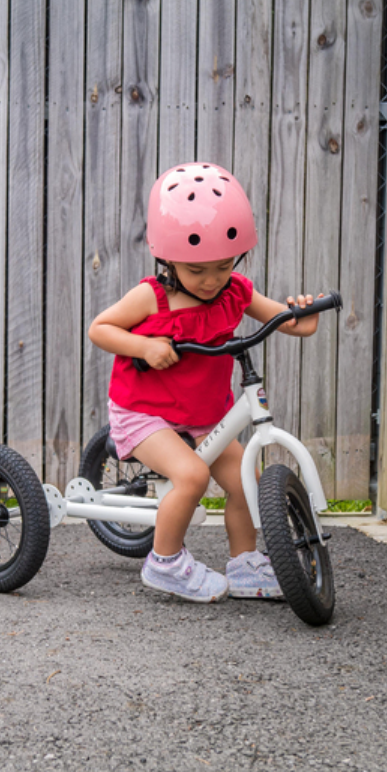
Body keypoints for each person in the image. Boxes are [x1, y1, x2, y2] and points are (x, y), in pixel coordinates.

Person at [87, 162, 322, 604]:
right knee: (192, 476)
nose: (212, 280)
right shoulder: (151, 297)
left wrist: (302, 314)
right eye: (197, 271)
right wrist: (145, 347)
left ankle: (246, 564)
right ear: (168, 259)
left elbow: (289, 323)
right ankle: (165, 562)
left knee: (244, 482)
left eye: (223, 265)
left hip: (203, 413)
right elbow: (100, 329)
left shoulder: (236, 292)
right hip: (145, 410)